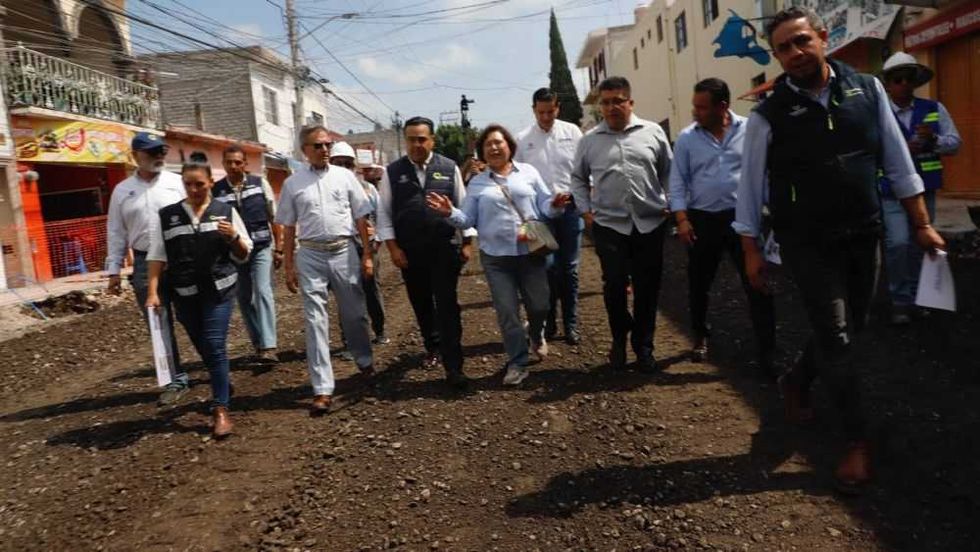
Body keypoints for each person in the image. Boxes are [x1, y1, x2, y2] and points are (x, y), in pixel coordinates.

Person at [733, 6, 945, 493]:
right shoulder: (768, 115)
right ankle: (855, 441)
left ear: (823, 37)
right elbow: (748, 189)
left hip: (862, 232)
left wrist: (922, 224)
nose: (795, 53)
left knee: (854, 325)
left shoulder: (867, 91)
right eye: (783, 48)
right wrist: (751, 250)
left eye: (801, 41)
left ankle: (796, 380)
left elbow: (897, 160)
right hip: (805, 241)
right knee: (837, 337)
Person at [428, 124, 570, 385]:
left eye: (499, 142)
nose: (494, 147)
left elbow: (545, 206)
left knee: (540, 306)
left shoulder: (528, 173)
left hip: (532, 252)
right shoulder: (478, 183)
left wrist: (556, 205)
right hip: (496, 259)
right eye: (488, 145)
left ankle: (536, 334)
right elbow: (468, 218)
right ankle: (517, 362)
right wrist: (450, 213)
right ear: (482, 152)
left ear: (509, 146)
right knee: (507, 312)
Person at [668, 78, 776, 376]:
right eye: (695, 105)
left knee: (757, 282)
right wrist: (682, 219)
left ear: (723, 107)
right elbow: (677, 181)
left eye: (702, 107)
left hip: (745, 219)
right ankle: (701, 336)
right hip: (703, 220)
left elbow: (764, 173)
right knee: (699, 283)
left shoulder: (750, 130)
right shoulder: (688, 138)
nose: (696, 111)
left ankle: (768, 351)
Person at [570, 76, 673, 372]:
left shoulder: (652, 132)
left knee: (647, 288)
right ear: (600, 106)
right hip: (609, 224)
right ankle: (619, 337)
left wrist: (669, 200)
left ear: (630, 102)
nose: (611, 107)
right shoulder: (589, 141)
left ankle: (644, 347)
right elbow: (577, 178)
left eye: (618, 100)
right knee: (614, 283)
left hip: (650, 223)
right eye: (605, 102)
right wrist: (585, 210)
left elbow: (669, 171)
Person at [145, 161, 253, 438]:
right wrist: (153, 291)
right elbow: (157, 256)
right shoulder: (168, 216)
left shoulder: (225, 212)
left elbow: (244, 254)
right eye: (188, 184)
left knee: (215, 345)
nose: (193, 189)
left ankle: (220, 409)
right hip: (184, 293)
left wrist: (233, 237)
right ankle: (222, 381)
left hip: (219, 290)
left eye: (199, 184)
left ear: (209, 183)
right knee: (203, 344)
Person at [276, 126, 376, 415]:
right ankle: (322, 388)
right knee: (315, 321)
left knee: (354, 314)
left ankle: (364, 361)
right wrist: (289, 266)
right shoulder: (294, 184)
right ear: (304, 150)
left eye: (327, 145)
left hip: (344, 252)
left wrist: (367, 255)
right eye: (318, 145)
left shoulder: (345, 177)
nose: (324, 149)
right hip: (310, 254)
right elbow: (288, 226)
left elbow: (361, 218)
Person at [376, 116, 475, 390]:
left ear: (432, 140)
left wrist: (467, 241)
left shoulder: (448, 167)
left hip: (444, 249)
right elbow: (384, 214)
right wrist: (393, 248)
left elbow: (464, 208)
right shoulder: (393, 172)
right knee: (421, 304)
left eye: (422, 139)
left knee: (447, 306)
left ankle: (454, 367)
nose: (416, 144)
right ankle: (433, 346)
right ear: (405, 140)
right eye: (411, 139)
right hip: (410, 253)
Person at [105, 132, 189, 406]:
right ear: (135, 156)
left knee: (194, 315)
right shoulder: (122, 191)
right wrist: (114, 270)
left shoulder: (177, 183)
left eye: (161, 151)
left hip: (181, 258)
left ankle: (215, 367)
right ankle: (175, 378)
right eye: (151, 152)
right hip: (143, 262)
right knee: (157, 320)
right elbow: (116, 231)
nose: (158, 156)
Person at [879, 52, 962, 325]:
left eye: (909, 78)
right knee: (898, 243)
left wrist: (933, 141)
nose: (904, 83)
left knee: (919, 244)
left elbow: (955, 143)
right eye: (898, 79)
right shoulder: (878, 114)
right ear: (888, 84)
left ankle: (918, 297)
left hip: (925, 191)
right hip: (891, 190)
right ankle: (900, 300)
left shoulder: (933, 109)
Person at [515, 88, 585, 345]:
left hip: (570, 210)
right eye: (541, 112)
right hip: (539, 215)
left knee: (569, 268)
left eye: (550, 111)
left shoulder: (573, 133)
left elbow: (582, 169)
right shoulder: (522, 140)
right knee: (546, 268)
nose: (546, 117)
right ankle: (550, 322)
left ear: (557, 108)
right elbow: (518, 177)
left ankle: (571, 323)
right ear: (533, 110)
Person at [212, 145, 282, 364]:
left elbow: (274, 218)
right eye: (229, 162)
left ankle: (269, 346)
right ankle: (258, 343)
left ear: (245, 164)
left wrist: (279, 248)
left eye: (237, 162)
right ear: (223, 164)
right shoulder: (217, 191)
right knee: (243, 299)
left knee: (263, 291)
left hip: (261, 247)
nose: (233, 166)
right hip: (235, 251)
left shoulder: (260, 184)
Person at [329, 143, 387, 347]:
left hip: (367, 246)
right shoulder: (328, 190)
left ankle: (379, 330)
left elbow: (381, 216)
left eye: (347, 164)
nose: (344, 168)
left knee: (371, 288)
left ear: (354, 166)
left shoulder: (368, 189)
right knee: (346, 294)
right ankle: (349, 339)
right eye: (338, 163)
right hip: (342, 248)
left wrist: (377, 240)